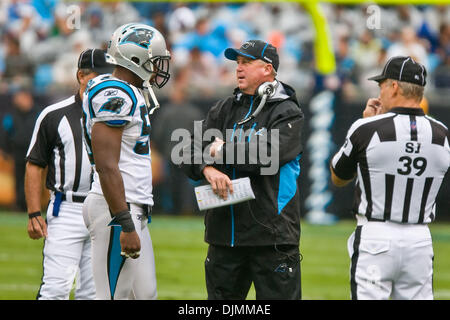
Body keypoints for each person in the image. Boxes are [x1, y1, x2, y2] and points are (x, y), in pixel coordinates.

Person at [182, 40, 304, 299]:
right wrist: (207, 168)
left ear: (268, 69)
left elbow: (267, 155)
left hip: (273, 237)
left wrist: (220, 150)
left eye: (247, 62)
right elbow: (185, 148)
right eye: (237, 63)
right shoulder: (224, 108)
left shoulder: (288, 111)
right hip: (224, 237)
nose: (239, 68)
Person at [330, 56, 450, 300]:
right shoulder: (442, 133)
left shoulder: (367, 128)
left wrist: (366, 122)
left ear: (394, 86)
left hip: (376, 236)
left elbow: (338, 177)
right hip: (420, 239)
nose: (379, 92)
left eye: (381, 85)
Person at [81, 23, 171, 300]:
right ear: (136, 58)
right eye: (155, 61)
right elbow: (107, 165)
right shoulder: (116, 94)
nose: (158, 68)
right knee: (111, 295)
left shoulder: (126, 91)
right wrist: (125, 222)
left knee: (145, 295)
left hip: (129, 207)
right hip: (117, 210)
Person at [25, 49, 113, 299]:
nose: (106, 83)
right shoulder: (54, 115)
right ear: (81, 76)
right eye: (99, 77)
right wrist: (33, 212)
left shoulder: (119, 112)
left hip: (104, 207)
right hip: (67, 209)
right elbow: (35, 163)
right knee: (56, 288)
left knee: (94, 293)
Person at [1, 86, 40, 211]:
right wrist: (6, 151)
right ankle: (20, 204)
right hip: (17, 152)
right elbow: (5, 133)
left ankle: (33, 205)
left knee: (33, 179)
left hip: (34, 153)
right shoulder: (11, 116)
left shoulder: (38, 114)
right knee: (19, 179)